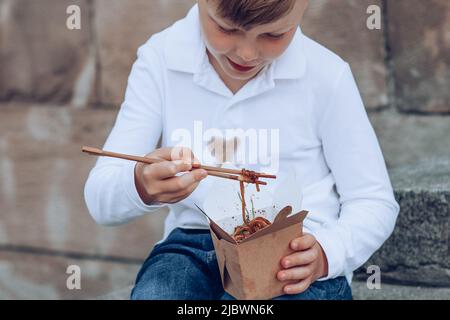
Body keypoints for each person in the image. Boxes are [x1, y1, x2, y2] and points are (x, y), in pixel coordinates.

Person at [84, 0, 399, 300]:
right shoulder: (160, 59)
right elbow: (101, 199)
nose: (247, 53)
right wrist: (142, 184)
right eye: (227, 28)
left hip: (292, 247)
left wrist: (328, 253)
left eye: (274, 35)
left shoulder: (326, 75)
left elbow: (373, 199)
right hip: (193, 244)